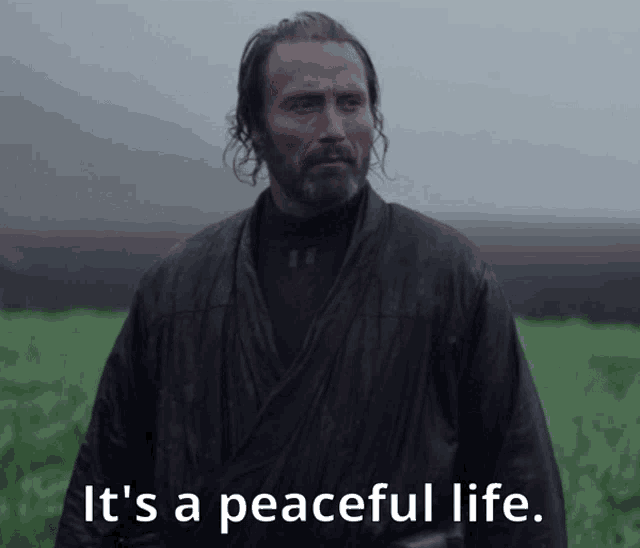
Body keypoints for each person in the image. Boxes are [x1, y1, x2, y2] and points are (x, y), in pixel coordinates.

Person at [55, 11, 568, 548]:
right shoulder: (177, 291)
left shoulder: (448, 277)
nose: (333, 130)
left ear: (375, 117)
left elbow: (519, 488)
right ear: (252, 127)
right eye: (304, 105)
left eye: (351, 103)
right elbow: (103, 493)